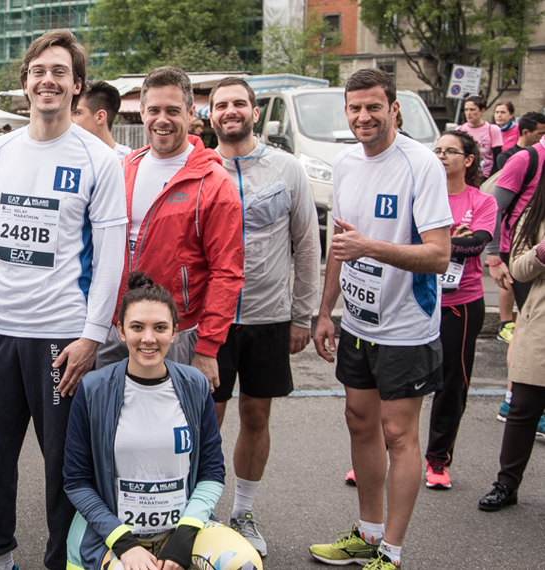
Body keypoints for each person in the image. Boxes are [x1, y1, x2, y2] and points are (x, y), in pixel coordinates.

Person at [0, 30, 127, 570]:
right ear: (25, 80)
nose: (47, 80)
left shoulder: (98, 160)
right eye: (38, 71)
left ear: (77, 86)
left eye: (60, 72)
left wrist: (91, 337)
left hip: (62, 338)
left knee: (65, 468)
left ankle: (64, 560)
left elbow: (109, 260)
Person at [310, 68, 451, 570]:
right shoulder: (346, 162)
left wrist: (371, 246)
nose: (364, 117)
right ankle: (368, 534)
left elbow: (438, 256)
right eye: (355, 108)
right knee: (359, 422)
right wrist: (326, 310)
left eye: (374, 107)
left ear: (395, 109)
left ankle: (391, 551)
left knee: (398, 434)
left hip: (407, 326)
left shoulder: (421, 165)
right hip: (358, 323)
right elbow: (341, 246)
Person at [208, 76, 320, 557]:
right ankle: (201, 511)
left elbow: (307, 243)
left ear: (255, 111)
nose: (230, 111)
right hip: (209, 320)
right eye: (220, 105)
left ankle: (243, 511)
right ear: (209, 115)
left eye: (239, 103)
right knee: (203, 419)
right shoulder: (198, 165)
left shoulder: (286, 168)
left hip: (268, 316)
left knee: (256, 414)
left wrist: (304, 315)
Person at [64, 272, 227, 570]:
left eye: (160, 327)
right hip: (111, 536)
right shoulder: (93, 389)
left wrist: (185, 536)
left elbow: (212, 471)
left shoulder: (195, 385)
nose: (149, 338)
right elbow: (76, 482)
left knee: (243, 563)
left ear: (175, 332)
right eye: (137, 327)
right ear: (121, 331)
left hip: (179, 530)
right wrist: (125, 545)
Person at [96, 66, 244, 394]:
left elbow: (227, 273)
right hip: (118, 328)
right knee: (110, 430)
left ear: (191, 113)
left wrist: (207, 348)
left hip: (177, 333)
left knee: (175, 434)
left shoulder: (214, 182)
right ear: (143, 112)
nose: (162, 119)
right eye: (154, 110)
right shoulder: (123, 169)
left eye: (173, 111)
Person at [423, 131, 497, 490]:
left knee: (452, 383)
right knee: (396, 380)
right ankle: (378, 455)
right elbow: (406, 240)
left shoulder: (482, 201)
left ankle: (438, 460)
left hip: (461, 304)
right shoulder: (422, 193)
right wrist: (456, 236)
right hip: (419, 299)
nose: (441, 156)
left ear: (468, 160)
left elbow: (478, 244)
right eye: (437, 150)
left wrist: (438, 242)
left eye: (450, 151)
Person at [478, 177, 545, 513]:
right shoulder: (536, 211)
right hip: (541, 324)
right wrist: (542, 251)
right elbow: (518, 268)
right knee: (523, 407)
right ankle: (506, 484)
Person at [488, 112, 545, 428]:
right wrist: (495, 256)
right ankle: (514, 401)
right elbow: (494, 206)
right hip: (521, 253)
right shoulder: (529, 158)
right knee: (526, 328)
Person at [71, 80, 131, 158]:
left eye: (76, 113)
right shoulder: (68, 159)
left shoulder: (130, 162)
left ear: (100, 117)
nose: (69, 119)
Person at [456, 95, 502, 178]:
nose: (468, 113)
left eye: (472, 109)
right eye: (466, 110)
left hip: (485, 175)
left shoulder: (493, 130)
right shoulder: (460, 130)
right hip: (465, 176)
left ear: (482, 111)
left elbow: (497, 158)